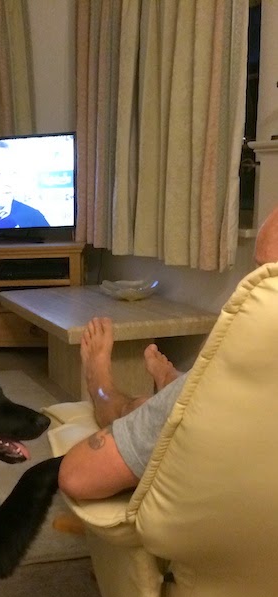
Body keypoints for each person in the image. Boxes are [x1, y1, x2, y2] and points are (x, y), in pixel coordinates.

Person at [58, 204, 278, 502]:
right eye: (256, 273)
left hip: (198, 519)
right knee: (170, 402)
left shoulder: (221, 386)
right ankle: (171, 381)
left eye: (268, 278)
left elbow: (77, 476)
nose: (249, 289)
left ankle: (102, 386)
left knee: (147, 408)